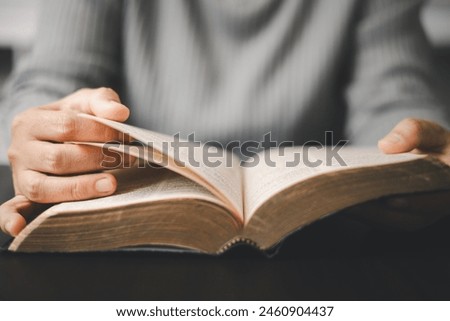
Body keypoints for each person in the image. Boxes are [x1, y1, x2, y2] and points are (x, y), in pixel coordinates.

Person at [0, 0, 449, 236]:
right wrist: (48, 130)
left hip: (318, 237)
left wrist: (416, 161)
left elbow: (395, 93)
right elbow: (52, 80)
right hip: (130, 227)